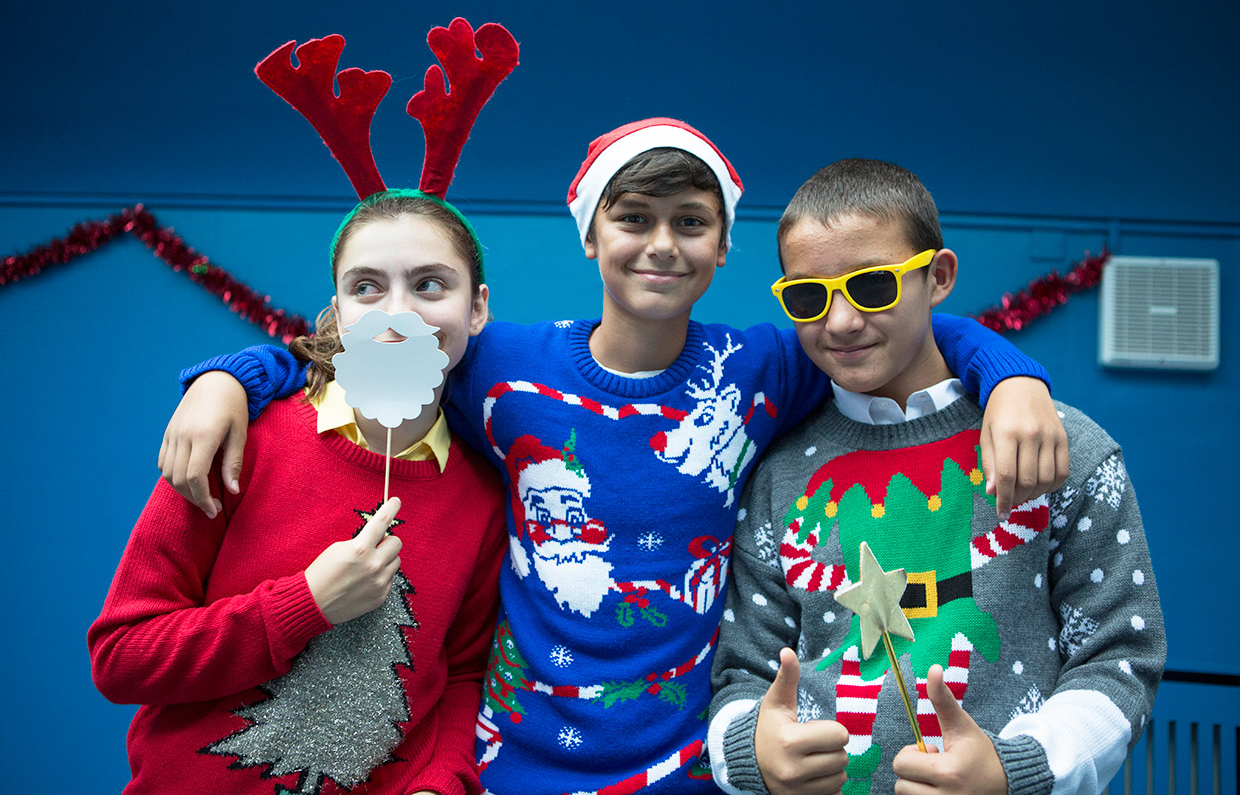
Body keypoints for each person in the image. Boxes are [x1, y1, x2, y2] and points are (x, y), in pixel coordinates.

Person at [154, 119, 1069, 794]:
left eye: (690, 223)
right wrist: (229, 377)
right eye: (633, 219)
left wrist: (1012, 374)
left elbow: (897, 325)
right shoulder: (504, 367)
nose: (661, 244)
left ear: (722, 250)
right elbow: (377, 348)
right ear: (592, 235)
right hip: (509, 757)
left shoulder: (765, 364)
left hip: (689, 766)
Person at [708, 158, 1164, 795]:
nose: (839, 321)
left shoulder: (1059, 445)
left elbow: (1120, 656)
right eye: (808, 296)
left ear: (938, 277)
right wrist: (748, 749)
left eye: (872, 287)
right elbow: (742, 671)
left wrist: (1019, 770)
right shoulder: (778, 474)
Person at [88, 192, 508, 795]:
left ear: (476, 309)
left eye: (431, 285)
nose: (397, 313)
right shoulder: (240, 439)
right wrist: (305, 603)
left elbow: (461, 675)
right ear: (337, 311)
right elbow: (121, 657)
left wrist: (439, 782)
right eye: (367, 288)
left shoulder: (484, 494)